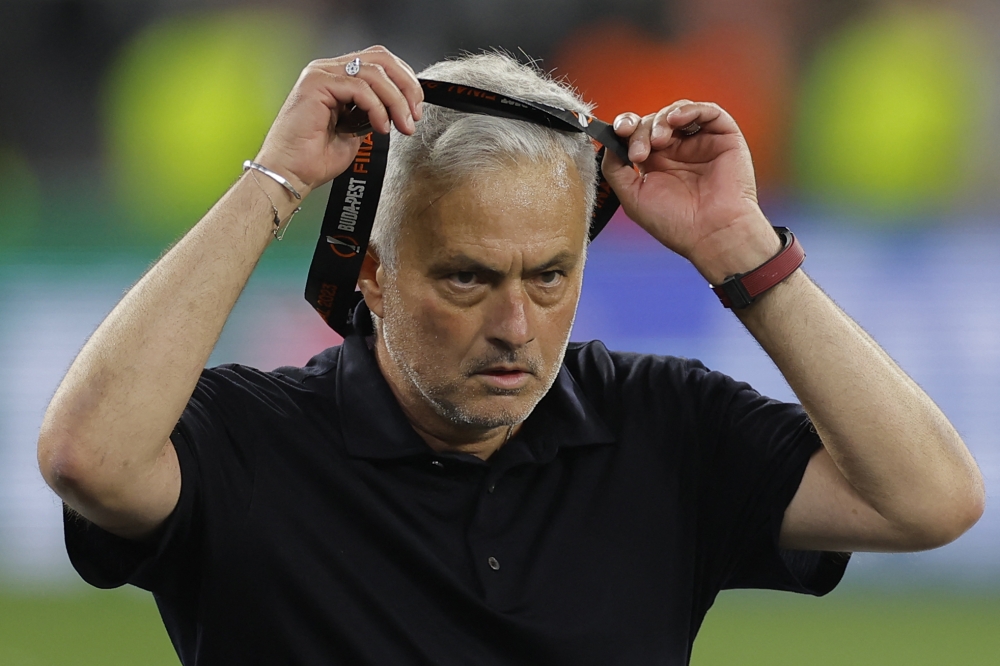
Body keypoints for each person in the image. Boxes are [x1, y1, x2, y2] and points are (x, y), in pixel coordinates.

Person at [38, 45, 984, 665]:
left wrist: (737, 243)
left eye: (549, 277)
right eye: (466, 279)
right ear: (370, 275)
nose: (517, 328)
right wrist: (276, 179)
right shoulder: (252, 441)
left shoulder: (658, 427)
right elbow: (89, 457)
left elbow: (930, 500)